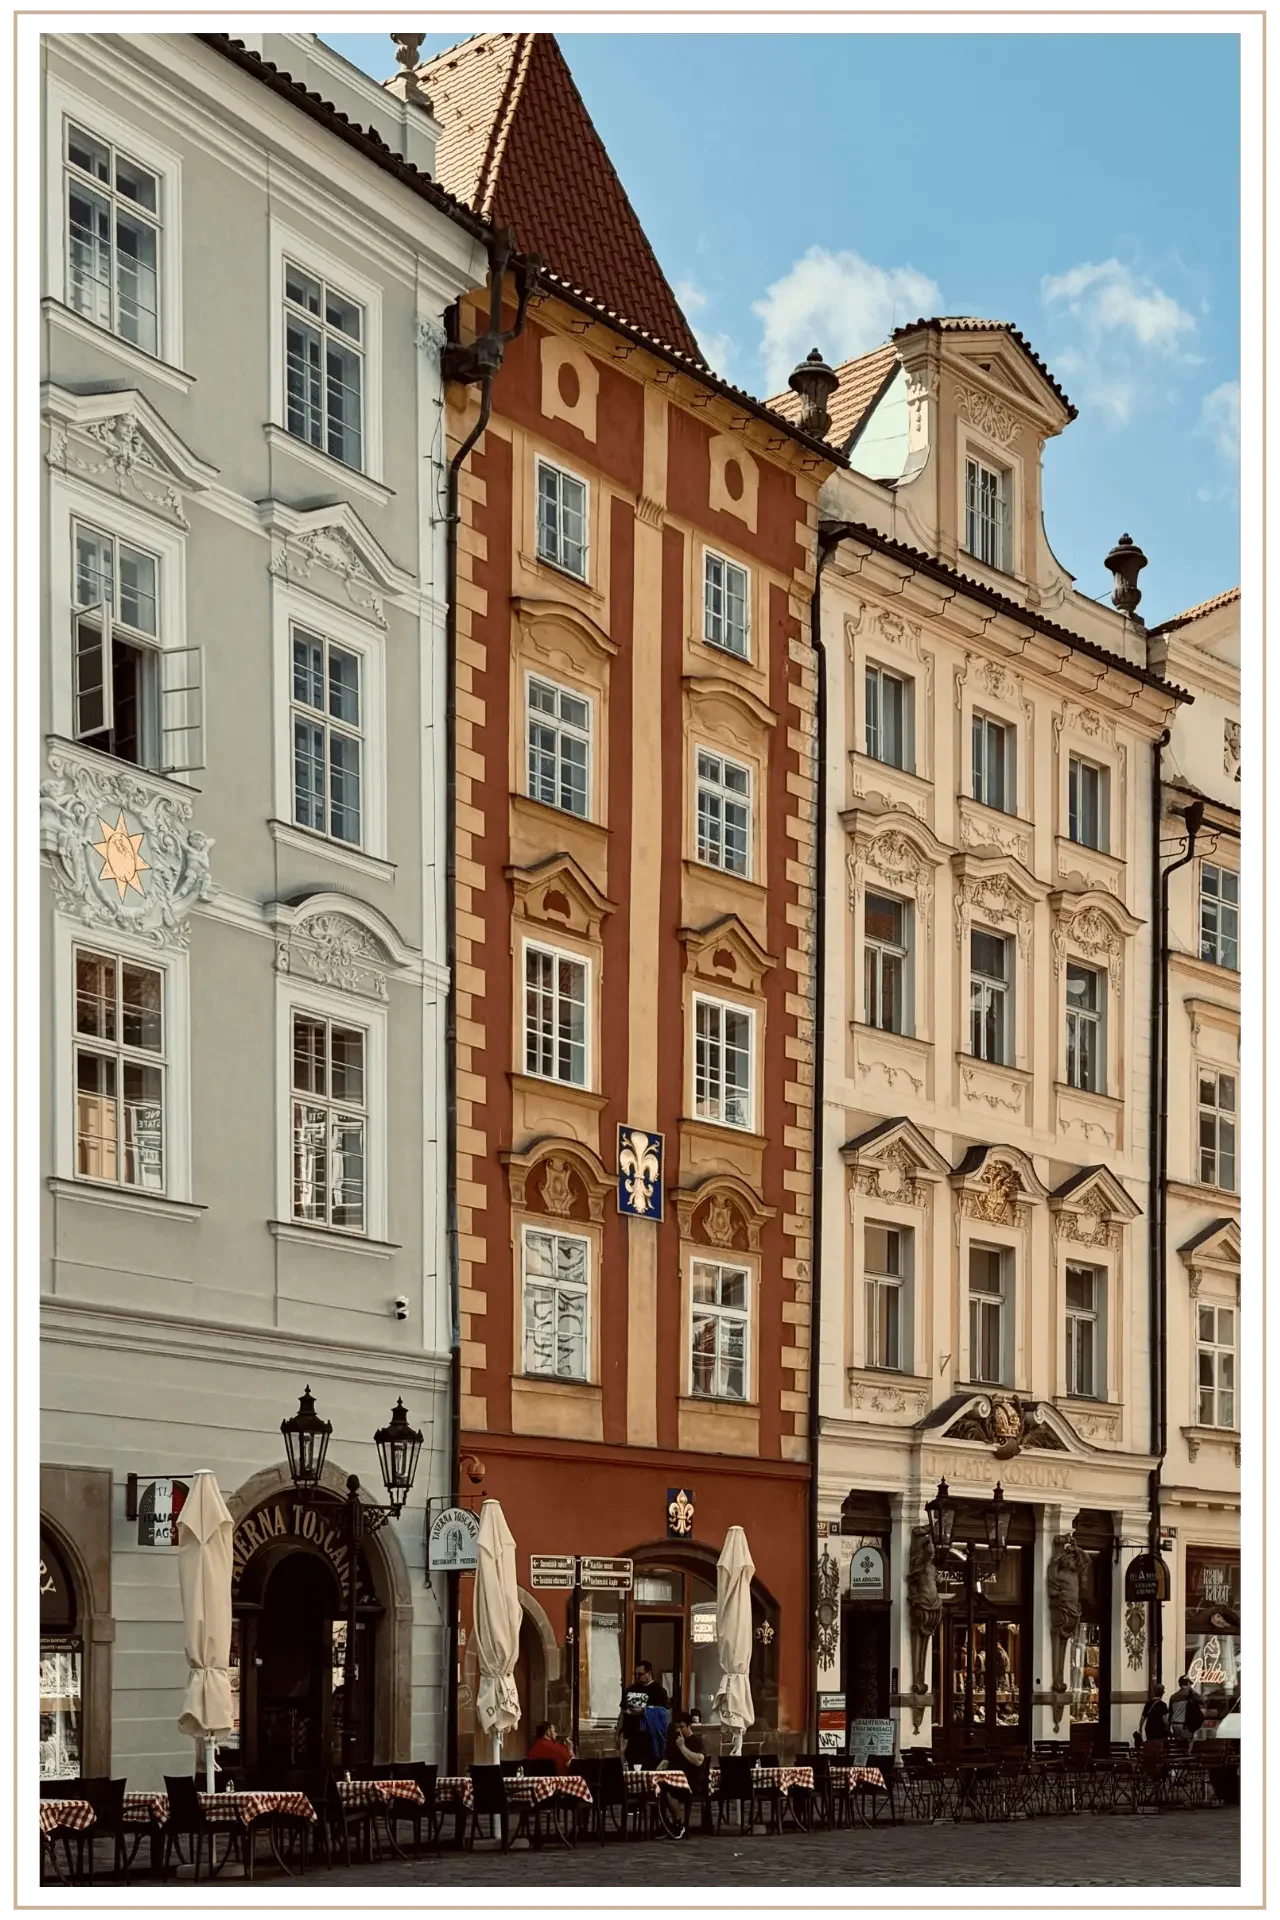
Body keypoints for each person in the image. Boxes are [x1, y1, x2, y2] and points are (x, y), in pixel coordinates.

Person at [617, 1660, 670, 1767]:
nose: (637, 1677)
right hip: (632, 1736)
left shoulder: (659, 1691)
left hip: (649, 1737)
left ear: (649, 1673)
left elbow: (665, 1713)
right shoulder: (631, 1690)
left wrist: (645, 1711)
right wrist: (618, 1732)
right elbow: (623, 1712)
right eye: (635, 1674)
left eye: (640, 1674)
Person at [1168, 1675, 1204, 1742]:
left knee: (1179, 1745)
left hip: (1175, 1725)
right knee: (1189, 1744)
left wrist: (1168, 1728)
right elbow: (1202, 1700)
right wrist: (1192, 1690)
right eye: (1190, 1684)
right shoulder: (1190, 1695)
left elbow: (1170, 1713)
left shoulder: (1173, 1697)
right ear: (1188, 1683)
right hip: (1185, 1726)